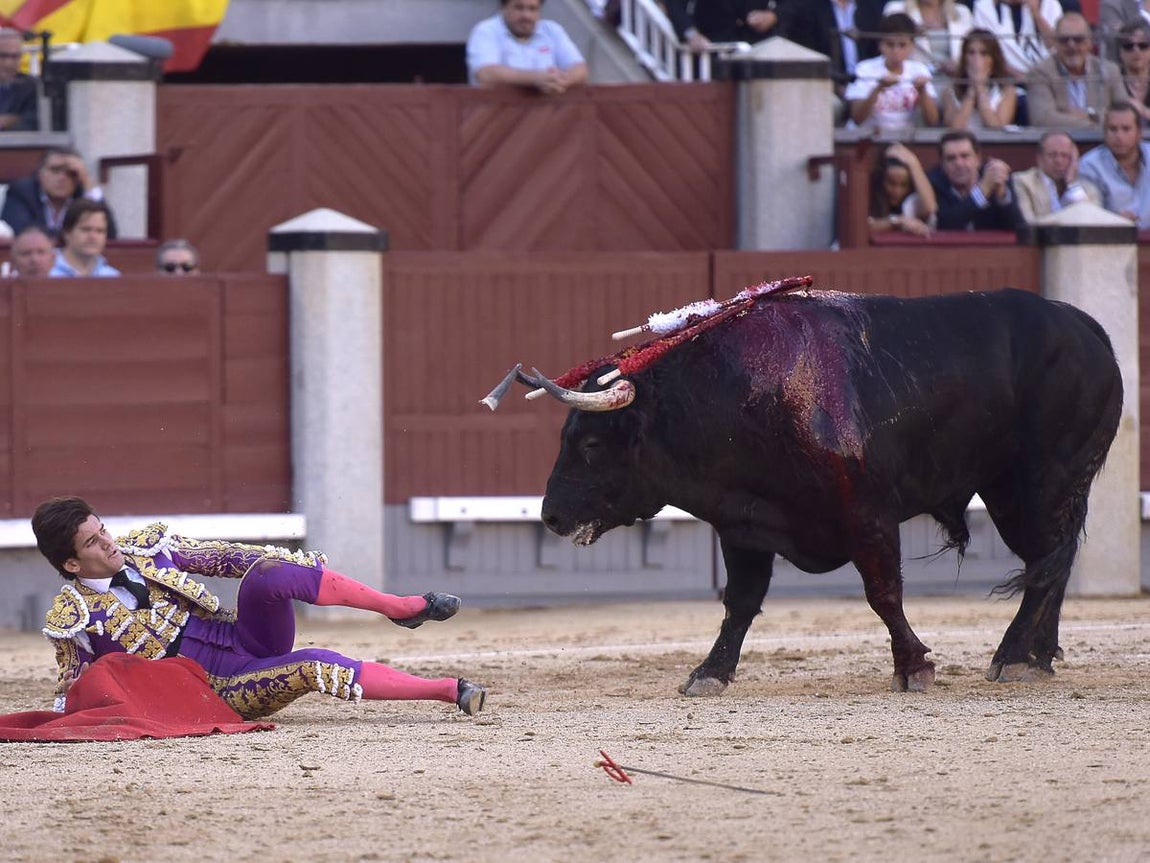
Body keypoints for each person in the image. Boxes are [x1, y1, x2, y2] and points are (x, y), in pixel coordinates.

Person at [32, 496, 488, 719]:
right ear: (72, 562)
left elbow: (224, 557)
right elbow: (73, 690)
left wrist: (282, 563)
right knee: (313, 664)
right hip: (221, 688)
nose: (109, 543)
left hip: (242, 638)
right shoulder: (74, 618)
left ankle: (401, 605)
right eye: (94, 541)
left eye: (104, 529)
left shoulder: (147, 549)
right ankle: (448, 690)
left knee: (267, 572)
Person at [1025, 12, 1126, 127]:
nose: (1071, 45)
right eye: (1064, 40)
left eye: (1078, 40)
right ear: (1055, 42)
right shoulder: (1039, 73)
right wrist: (1092, 124)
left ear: (1090, 42)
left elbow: (1124, 113)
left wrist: (1089, 114)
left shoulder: (1109, 70)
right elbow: (1042, 119)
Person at [466, 0, 588, 94]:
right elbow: (487, 74)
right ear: (503, 7)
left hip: (548, 116)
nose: (526, 16)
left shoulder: (552, 30)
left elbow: (580, 69)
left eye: (533, 9)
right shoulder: (485, 30)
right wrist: (537, 79)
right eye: (519, 7)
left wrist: (561, 81)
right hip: (493, 117)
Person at [846, 13, 941, 130]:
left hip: (905, 138)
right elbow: (857, 118)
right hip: (867, 137)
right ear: (880, 45)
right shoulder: (865, 68)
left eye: (902, 45)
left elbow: (932, 121)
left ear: (912, 46)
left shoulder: (920, 69)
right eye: (890, 44)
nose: (896, 51)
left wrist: (923, 91)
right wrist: (878, 88)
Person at [781, 0, 886, 105]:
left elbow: (876, 53)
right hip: (828, 86)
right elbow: (808, 57)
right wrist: (837, 88)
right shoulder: (809, 8)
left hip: (867, 84)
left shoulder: (870, 7)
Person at [0, 147, 118, 240]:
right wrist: (77, 237)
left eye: (71, 173)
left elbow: (109, 235)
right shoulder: (22, 192)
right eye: (55, 170)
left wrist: (88, 184)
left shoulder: (83, 196)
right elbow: (23, 232)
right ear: (40, 173)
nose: (62, 178)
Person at [1079, 100, 1150, 227]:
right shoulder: (1090, 166)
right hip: (1111, 241)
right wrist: (1113, 219)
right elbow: (1088, 214)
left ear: (1139, 133)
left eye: (1126, 129)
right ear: (1105, 133)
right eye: (1113, 129)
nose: (1119, 136)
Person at [927, 129, 1016, 229]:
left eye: (965, 156)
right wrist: (982, 191)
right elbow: (945, 223)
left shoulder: (997, 176)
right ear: (942, 164)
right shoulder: (934, 182)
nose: (959, 164)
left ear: (977, 159)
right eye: (951, 158)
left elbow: (1015, 226)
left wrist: (1001, 196)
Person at [1010, 129, 1102, 223]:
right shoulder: (1023, 182)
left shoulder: (1088, 189)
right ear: (1039, 158)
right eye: (1052, 155)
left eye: (1065, 155)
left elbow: (1093, 223)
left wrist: (1072, 183)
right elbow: (1029, 224)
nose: (1059, 161)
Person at [942, 28, 1018, 126]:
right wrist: (972, 90)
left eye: (983, 53)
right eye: (971, 53)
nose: (976, 59)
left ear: (993, 58)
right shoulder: (949, 91)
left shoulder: (1007, 91)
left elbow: (997, 129)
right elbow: (955, 128)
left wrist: (981, 89)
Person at [971, 0, 1063, 78]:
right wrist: (1023, 79)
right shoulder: (984, 7)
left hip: (1048, 80)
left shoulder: (1050, 4)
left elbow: (1055, 46)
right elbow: (988, 55)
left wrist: (1036, 13)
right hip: (1007, 81)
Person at [880, 0, 974, 76]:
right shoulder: (896, 8)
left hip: (952, 80)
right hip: (912, 79)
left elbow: (972, 47)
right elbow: (888, 47)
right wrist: (910, 32)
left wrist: (959, 66)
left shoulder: (962, 12)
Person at [867, 142, 939, 237]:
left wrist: (913, 163)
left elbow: (930, 208)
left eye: (904, 185)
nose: (897, 191)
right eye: (891, 184)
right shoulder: (868, 196)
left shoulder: (911, 202)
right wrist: (898, 221)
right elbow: (863, 226)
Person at [664, 0, 787, 51]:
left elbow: (794, 4)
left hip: (759, 45)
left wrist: (774, 15)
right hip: (712, 47)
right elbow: (675, 4)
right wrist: (691, 34)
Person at [48, 199, 120, 278]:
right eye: (86, 229)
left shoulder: (112, 277)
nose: (93, 237)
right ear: (67, 233)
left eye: (100, 231)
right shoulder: (46, 271)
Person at [0, 28, 37, 131]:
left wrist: (9, 122)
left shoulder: (33, 87)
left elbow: (34, 122)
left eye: (15, 57)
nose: (9, 63)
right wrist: (11, 119)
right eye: (2, 56)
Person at [1116, 19, 1150, 122]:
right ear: (1120, 52)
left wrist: (1143, 110)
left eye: (1143, 45)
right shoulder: (1112, 78)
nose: (1136, 50)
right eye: (1129, 46)